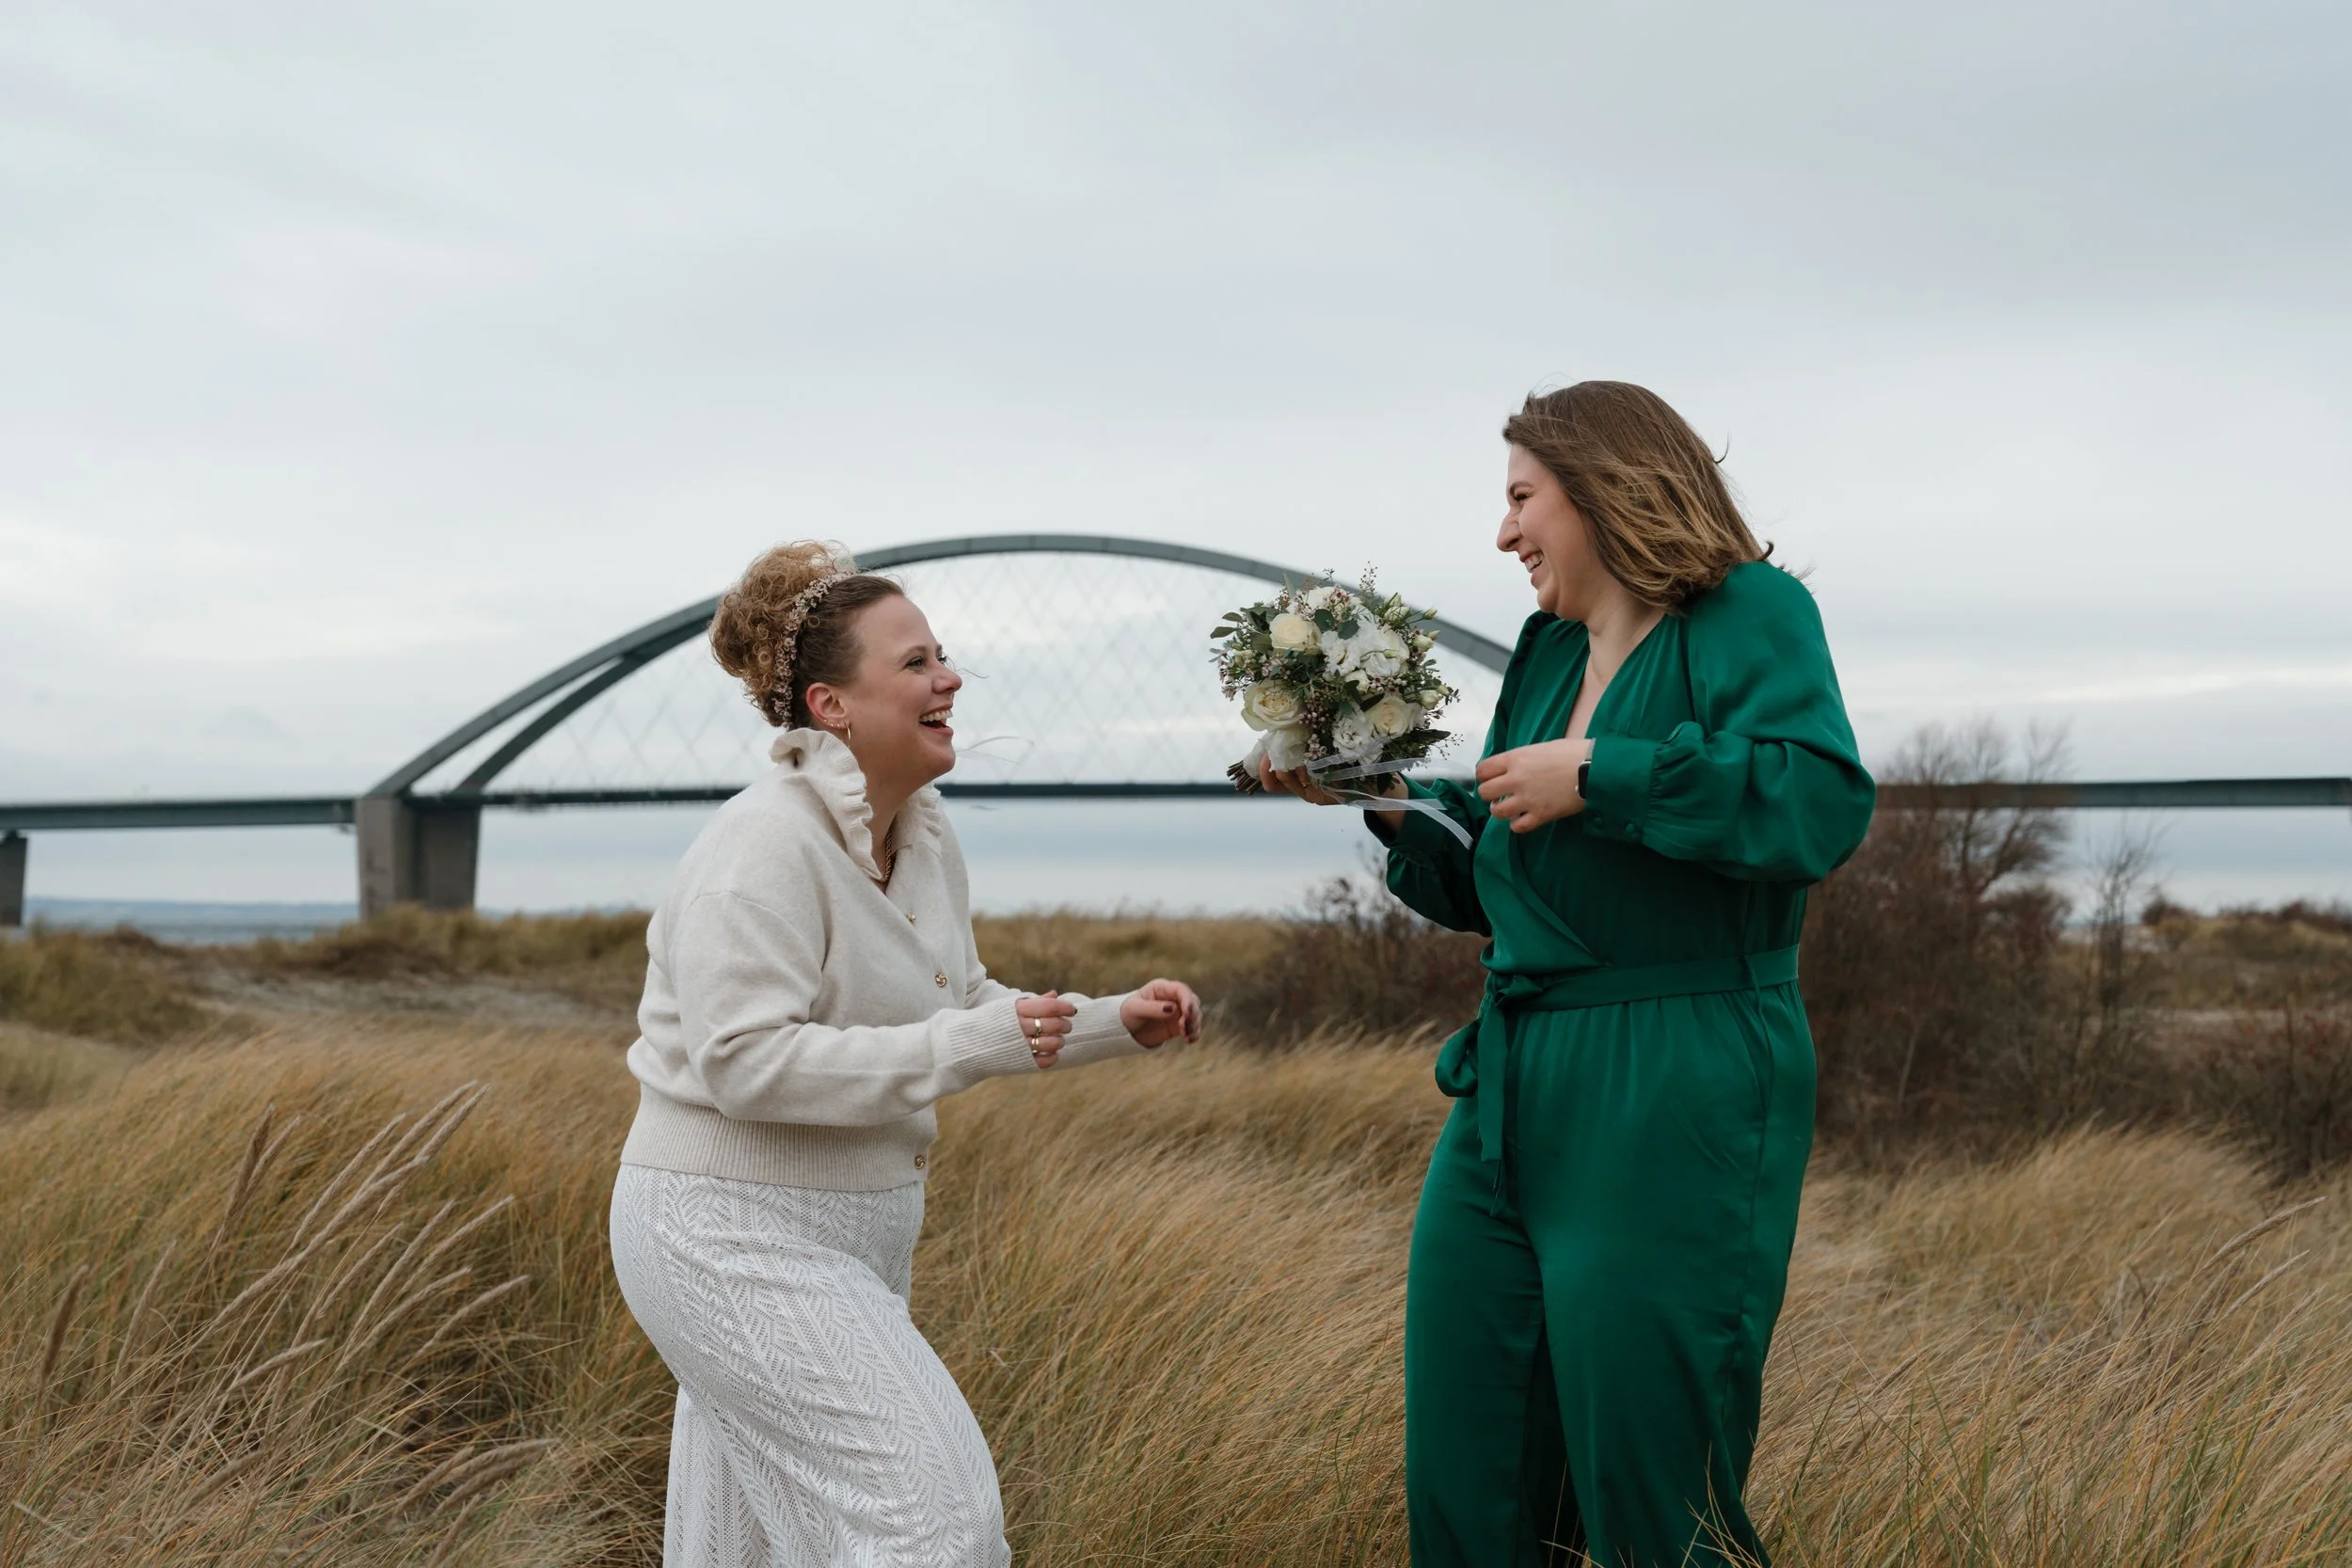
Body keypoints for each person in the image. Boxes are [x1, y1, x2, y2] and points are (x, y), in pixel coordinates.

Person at [1263, 383, 1875, 1567]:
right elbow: (1501, 876)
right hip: (1510, 1084)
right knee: (1467, 1468)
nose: (1504, 534)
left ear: (1601, 486)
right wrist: (1379, 798)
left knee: (1657, 1490)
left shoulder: (1751, 611)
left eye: (1520, 498)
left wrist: (1604, 774)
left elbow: (1816, 803)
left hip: (1677, 1077)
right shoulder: (1547, 653)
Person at [608, 541, 1201, 1568]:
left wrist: (1113, 1018)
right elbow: (743, 1062)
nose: (951, 678)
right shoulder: (760, 846)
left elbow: (958, 997)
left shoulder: (921, 832)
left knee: (744, 1545)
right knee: (936, 1520)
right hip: (725, 1230)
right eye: (918, 661)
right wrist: (964, 1042)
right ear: (832, 705)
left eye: (944, 655)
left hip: (855, 1234)